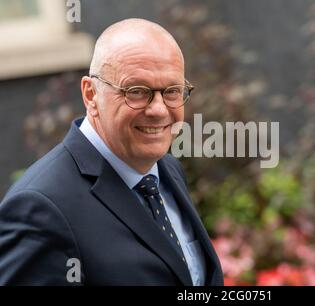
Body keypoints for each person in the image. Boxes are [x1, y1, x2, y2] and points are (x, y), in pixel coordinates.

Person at [0, 18, 223, 286]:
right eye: (137, 91)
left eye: (172, 91)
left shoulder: (165, 169)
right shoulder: (39, 208)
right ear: (90, 94)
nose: (159, 110)